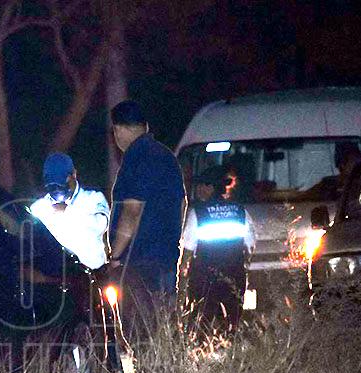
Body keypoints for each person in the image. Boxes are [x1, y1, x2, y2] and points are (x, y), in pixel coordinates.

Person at [108, 100, 186, 297]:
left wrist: (115, 256)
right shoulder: (167, 156)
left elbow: (132, 211)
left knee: (138, 315)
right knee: (163, 312)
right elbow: (182, 203)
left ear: (118, 130)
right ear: (146, 126)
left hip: (138, 263)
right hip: (166, 259)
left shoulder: (135, 158)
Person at [180, 168, 255, 334]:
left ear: (212, 187)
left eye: (203, 185)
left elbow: (188, 249)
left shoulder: (198, 213)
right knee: (232, 323)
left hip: (205, 278)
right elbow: (250, 245)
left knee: (202, 324)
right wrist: (242, 268)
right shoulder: (240, 211)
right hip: (234, 276)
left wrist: (182, 277)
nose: (198, 189)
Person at [29, 153, 110, 270]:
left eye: (62, 184)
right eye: (52, 186)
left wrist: (68, 211)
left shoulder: (93, 197)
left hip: (94, 273)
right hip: (58, 274)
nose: (57, 190)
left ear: (74, 174)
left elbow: (101, 225)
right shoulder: (39, 208)